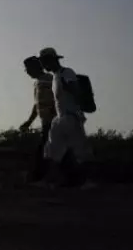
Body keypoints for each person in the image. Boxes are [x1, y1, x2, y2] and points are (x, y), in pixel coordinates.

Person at [38, 47, 93, 188]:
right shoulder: (56, 76)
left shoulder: (66, 72)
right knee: (51, 150)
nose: (43, 66)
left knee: (80, 151)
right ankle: (52, 181)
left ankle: (87, 181)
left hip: (71, 116)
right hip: (60, 117)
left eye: (44, 62)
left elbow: (75, 90)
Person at [19, 56, 57, 183]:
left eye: (28, 69)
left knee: (45, 150)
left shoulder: (49, 79)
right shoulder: (37, 83)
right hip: (46, 121)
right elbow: (37, 105)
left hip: (54, 121)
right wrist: (29, 121)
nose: (27, 72)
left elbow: (57, 97)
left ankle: (40, 178)